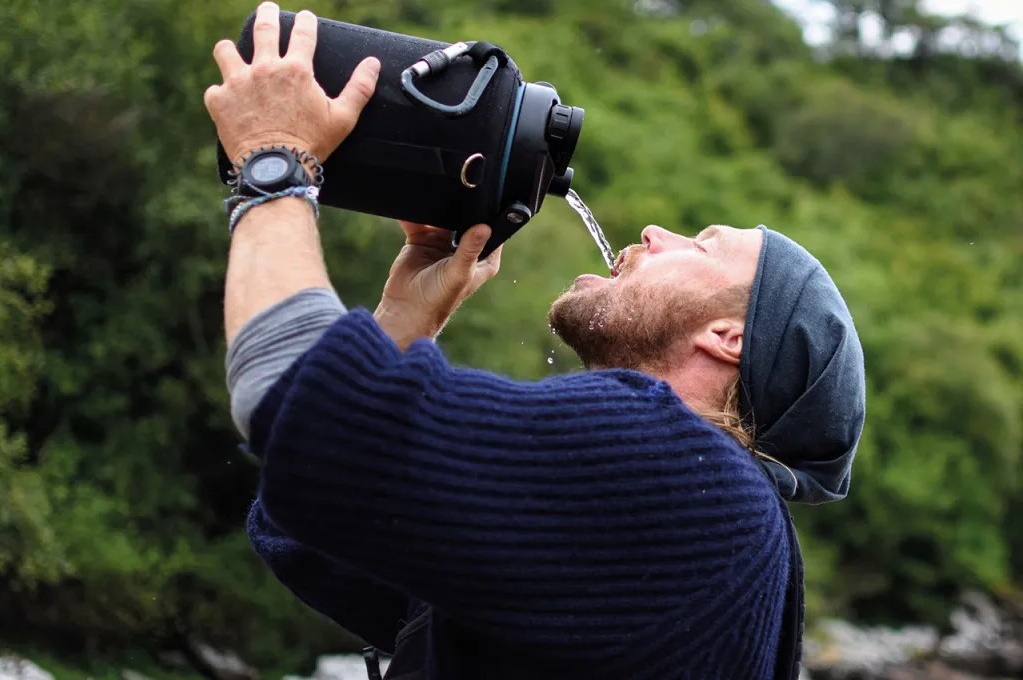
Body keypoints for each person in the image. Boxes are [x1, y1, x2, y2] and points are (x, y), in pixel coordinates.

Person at [205, 4, 866, 679]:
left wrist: (275, 161)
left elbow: (295, 410)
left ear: (728, 337)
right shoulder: (698, 528)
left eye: (701, 245)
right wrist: (405, 320)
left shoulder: (691, 475)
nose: (655, 233)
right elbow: (307, 522)